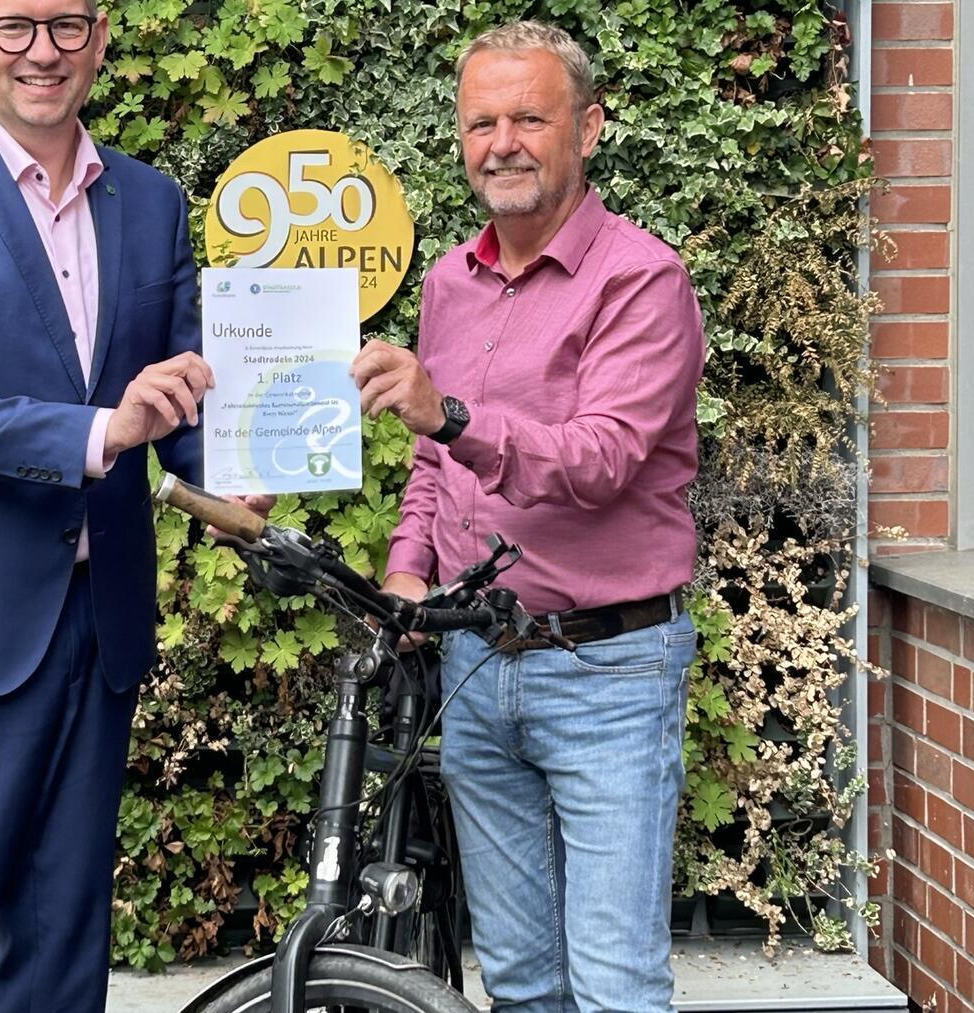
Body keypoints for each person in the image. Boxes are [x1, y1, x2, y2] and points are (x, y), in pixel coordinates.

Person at [0, 2, 267, 1009]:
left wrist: (231, 466)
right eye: (16, 24)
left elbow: (172, 386)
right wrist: (100, 432)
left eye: (66, 24)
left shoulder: (151, 202)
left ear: (102, 37)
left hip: (97, 618)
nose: (43, 50)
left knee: (65, 949)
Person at [350, 21, 705, 1013]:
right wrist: (409, 570)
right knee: (519, 979)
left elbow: (602, 460)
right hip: (476, 663)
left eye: (529, 118)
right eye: (480, 122)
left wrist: (451, 414)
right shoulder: (448, 284)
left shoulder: (642, 278)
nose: (500, 141)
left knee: (615, 983)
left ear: (588, 129)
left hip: (609, 671)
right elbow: (433, 464)